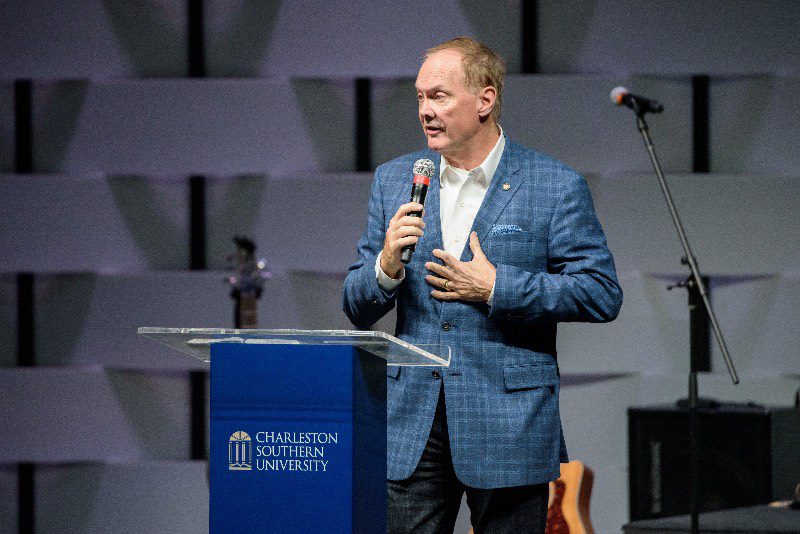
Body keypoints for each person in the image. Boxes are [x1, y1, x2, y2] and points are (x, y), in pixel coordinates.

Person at [342, 36, 622, 534]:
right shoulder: (394, 181)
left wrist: (497, 288)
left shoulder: (553, 185)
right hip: (413, 426)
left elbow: (600, 292)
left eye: (440, 96)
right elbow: (356, 305)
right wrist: (386, 265)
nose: (425, 110)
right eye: (420, 97)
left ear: (486, 99)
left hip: (508, 423)